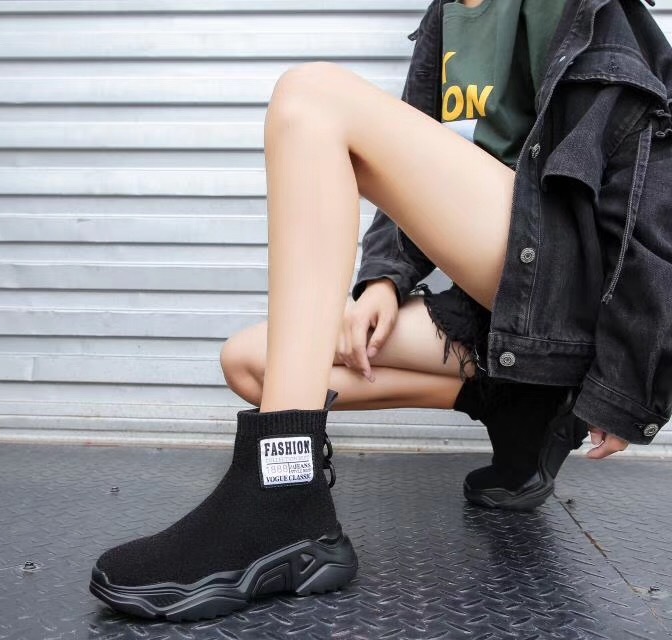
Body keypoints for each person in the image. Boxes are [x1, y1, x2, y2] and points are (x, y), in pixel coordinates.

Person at [89, 0, 671, 622]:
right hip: (509, 301)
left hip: (572, 282)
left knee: (310, 99)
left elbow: (651, 177)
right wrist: (383, 283)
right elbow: (410, 162)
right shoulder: (449, 16)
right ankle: (520, 409)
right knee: (252, 363)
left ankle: (281, 499)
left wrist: (626, 382)